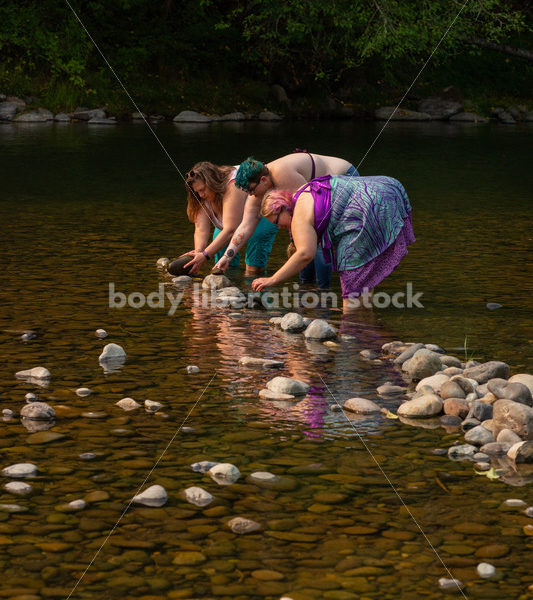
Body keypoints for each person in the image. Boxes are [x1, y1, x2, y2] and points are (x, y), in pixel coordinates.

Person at [251, 174, 415, 313]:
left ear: (280, 208)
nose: (279, 227)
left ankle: (353, 331)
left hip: (369, 206)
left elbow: (305, 254)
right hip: (388, 187)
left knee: (350, 270)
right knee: (361, 278)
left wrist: (272, 280)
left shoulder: (298, 216)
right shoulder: (303, 192)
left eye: (276, 222)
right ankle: (366, 324)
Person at [212, 152, 359, 287]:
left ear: (263, 180)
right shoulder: (258, 191)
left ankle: (322, 292)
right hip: (323, 192)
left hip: (345, 178)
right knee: (305, 241)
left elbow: (307, 212)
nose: (251, 195)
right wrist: (227, 257)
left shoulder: (282, 173)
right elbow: (245, 226)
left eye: (252, 190)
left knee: (316, 237)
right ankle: (308, 289)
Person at [182, 162, 278, 276]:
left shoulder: (233, 185)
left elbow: (231, 230)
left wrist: (206, 255)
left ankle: (254, 284)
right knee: (219, 247)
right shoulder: (200, 196)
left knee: (255, 252)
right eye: (197, 191)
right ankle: (228, 280)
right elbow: (200, 229)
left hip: (261, 212)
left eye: (203, 190)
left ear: (212, 183)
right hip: (231, 224)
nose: (201, 194)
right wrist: (199, 252)